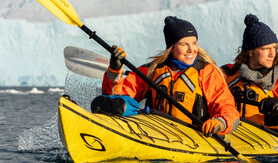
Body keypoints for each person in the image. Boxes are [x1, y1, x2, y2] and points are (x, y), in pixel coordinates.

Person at [103, 16, 240, 136]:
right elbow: (116, 95)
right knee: (113, 104)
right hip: (156, 131)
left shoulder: (206, 71)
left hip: (194, 135)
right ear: (172, 47)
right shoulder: (153, 70)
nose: (191, 49)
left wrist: (220, 122)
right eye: (184, 44)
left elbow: (226, 106)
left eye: (194, 43)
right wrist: (115, 70)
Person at [221, 14, 278, 128]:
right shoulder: (227, 74)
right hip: (233, 134)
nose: (272, 54)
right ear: (251, 52)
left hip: (269, 136)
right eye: (266, 48)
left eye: (274, 48)